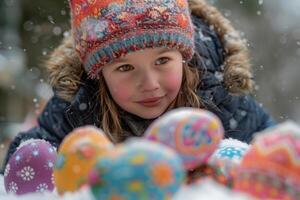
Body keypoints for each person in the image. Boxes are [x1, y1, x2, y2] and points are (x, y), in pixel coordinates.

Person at [1, 0, 274, 173]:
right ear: (98, 74)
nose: (150, 84)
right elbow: (28, 158)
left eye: (163, 60)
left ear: (185, 56)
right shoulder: (78, 105)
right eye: (125, 67)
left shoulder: (218, 94)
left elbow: (273, 147)